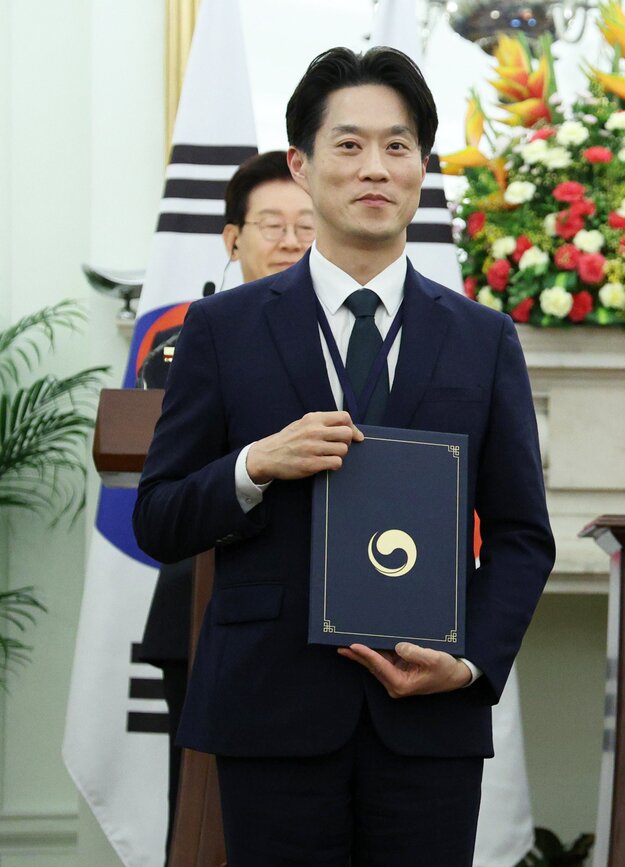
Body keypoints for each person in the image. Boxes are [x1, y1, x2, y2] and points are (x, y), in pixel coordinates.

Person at [132, 47, 553, 864]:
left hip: (429, 715)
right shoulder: (222, 329)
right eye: (349, 144)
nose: (375, 168)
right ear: (303, 162)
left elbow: (521, 534)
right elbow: (158, 515)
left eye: (398, 147)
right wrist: (254, 464)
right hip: (272, 709)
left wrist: (467, 666)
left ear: (422, 168)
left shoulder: (482, 337)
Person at [134, 150, 313, 863]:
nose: (290, 240)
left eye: (305, 224)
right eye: (272, 224)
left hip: (316, 613)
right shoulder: (183, 341)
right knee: (200, 813)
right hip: (201, 606)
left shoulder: (342, 337)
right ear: (232, 238)